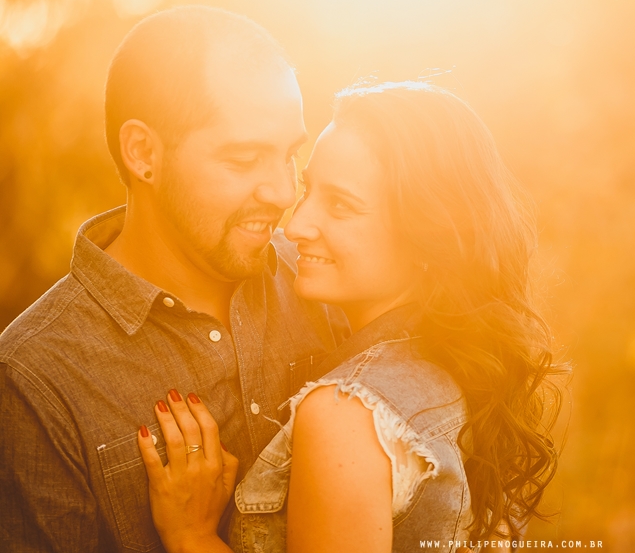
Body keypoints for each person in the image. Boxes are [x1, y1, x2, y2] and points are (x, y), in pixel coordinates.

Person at [135, 82, 562, 552]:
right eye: (308, 190)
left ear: (428, 236)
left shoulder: (346, 416)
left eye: (341, 206)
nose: (295, 226)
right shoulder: (464, 362)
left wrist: (190, 535)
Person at [0, 6, 344, 553]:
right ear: (144, 154)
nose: (281, 192)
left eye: (289, 156)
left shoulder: (324, 281)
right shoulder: (36, 380)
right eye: (243, 158)